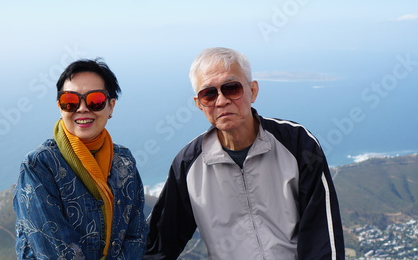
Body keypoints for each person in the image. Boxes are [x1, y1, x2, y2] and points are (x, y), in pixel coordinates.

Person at [143, 47, 345, 259]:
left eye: (231, 88)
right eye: (208, 94)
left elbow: (322, 237)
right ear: (199, 104)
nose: (221, 101)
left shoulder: (298, 144)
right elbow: (158, 245)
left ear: (253, 91)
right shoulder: (187, 165)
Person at [13, 59, 148, 259]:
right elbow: (55, 250)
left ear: (110, 107)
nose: (82, 109)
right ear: (60, 107)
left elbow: (136, 235)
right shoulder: (40, 165)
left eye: (95, 100)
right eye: (70, 101)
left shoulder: (124, 161)